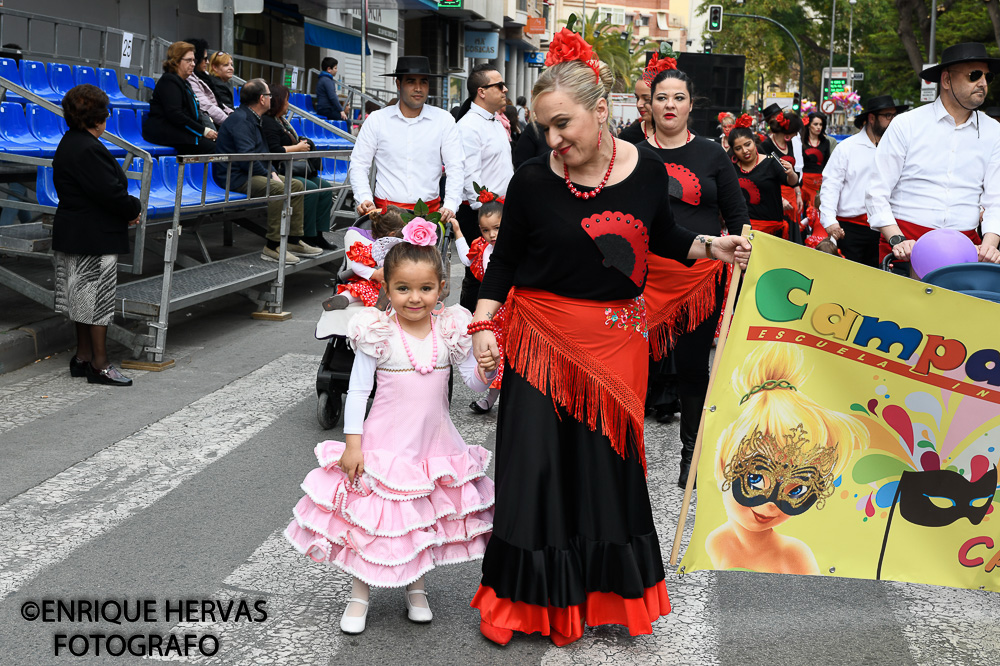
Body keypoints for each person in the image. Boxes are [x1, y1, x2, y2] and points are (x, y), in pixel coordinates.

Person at [467, 30, 752, 647]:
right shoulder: (531, 181)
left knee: (602, 473)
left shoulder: (647, 170)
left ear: (601, 113)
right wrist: (485, 324)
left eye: (563, 124)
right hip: (541, 343)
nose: (554, 140)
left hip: (617, 345)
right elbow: (505, 262)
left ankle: (601, 595)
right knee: (534, 471)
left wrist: (713, 246)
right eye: (544, 127)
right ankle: (522, 604)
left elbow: (667, 237)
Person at [284, 227, 496, 635]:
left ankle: (417, 590)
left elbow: (471, 381)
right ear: (387, 288)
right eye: (402, 288)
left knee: (417, 522)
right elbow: (359, 390)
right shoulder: (377, 332)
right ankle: (359, 595)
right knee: (376, 523)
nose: (414, 298)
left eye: (425, 288)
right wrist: (352, 444)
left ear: (441, 289)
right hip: (385, 446)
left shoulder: (449, 330)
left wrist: (486, 370)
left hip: (432, 447)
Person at [640, 66, 750, 488]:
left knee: (691, 368)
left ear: (691, 104)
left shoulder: (711, 153)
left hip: (699, 279)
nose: (670, 105)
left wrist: (741, 248)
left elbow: (737, 213)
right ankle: (623, 456)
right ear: (650, 103)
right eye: (662, 97)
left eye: (678, 98)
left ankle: (693, 455)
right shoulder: (630, 151)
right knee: (634, 367)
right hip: (641, 279)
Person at [706, 343, 866, 573]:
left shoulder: (794, 556)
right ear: (723, 465)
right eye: (755, 479)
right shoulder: (715, 542)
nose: (771, 503)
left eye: (796, 491)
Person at [867, 42, 1000, 264]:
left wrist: (990, 246)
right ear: (946, 80)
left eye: (988, 77)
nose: (983, 83)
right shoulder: (906, 124)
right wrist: (897, 239)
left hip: (966, 247)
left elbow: (997, 199)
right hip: (906, 243)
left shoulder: (994, 131)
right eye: (974, 75)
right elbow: (876, 192)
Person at [52, 84, 141, 387]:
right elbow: (110, 194)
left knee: (81, 299)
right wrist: (133, 208)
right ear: (98, 117)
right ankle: (99, 365)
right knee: (98, 301)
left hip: (76, 231)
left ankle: (82, 357)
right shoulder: (88, 148)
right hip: (92, 234)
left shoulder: (70, 142)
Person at [213, 78, 322, 264]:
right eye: (269, 95)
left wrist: (271, 172)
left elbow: (262, 154)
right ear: (262, 99)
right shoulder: (241, 120)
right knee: (279, 189)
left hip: (249, 171)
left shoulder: (253, 118)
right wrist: (270, 175)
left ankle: (293, 241)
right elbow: (248, 158)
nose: (271, 99)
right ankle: (272, 246)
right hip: (235, 176)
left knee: (296, 184)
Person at [349, 55, 463, 223]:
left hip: (429, 218)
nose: (418, 88)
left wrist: (451, 205)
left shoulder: (444, 120)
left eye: (423, 82)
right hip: (386, 217)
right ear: (398, 84)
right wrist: (364, 198)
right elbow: (359, 164)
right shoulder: (377, 120)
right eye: (411, 81)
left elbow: (456, 166)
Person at [819, 95, 907, 266]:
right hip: (851, 228)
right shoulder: (847, 148)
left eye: (894, 115)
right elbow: (831, 185)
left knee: (880, 278)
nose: (893, 120)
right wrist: (829, 220)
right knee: (848, 279)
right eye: (888, 116)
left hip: (887, 226)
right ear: (872, 118)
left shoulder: (899, 148)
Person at [455, 63, 513, 312]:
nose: (505, 89)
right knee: (477, 275)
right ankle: (469, 327)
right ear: (481, 91)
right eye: (499, 85)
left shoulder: (495, 121)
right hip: (481, 212)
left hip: (501, 209)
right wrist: (487, 212)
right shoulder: (468, 127)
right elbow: (470, 177)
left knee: (499, 271)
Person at [261, 83, 334, 250]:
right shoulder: (267, 122)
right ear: (278, 101)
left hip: (295, 167)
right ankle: (304, 235)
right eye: (286, 100)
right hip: (279, 170)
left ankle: (318, 234)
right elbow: (274, 150)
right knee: (308, 187)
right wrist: (298, 148)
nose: (288, 104)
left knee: (325, 187)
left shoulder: (281, 121)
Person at [451, 192, 504, 414]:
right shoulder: (481, 247)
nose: (491, 235)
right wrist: (457, 231)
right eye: (485, 230)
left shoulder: (520, 248)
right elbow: (466, 258)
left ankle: (505, 401)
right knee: (495, 356)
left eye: (497, 228)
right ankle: (491, 398)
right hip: (493, 314)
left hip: (518, 312)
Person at [323, 206, 407, 310]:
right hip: (373, 282)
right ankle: (343, 299)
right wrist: (374, 274)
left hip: (394, 284)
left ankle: (383, 301)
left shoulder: (404, 250)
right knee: (358, 289)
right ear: (393, 235)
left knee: (399, 289)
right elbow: (356, 266)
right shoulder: (373, 250)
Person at [142, 41, 217, 154]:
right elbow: (175, 114)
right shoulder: (169, 81)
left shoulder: (183, 82)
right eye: (188, 60)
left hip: (179, 132)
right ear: (176, 62)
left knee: (220, 145)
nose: (192, 64)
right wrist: (203, 131)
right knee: (216, 150)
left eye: (194, 60)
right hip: (166, 132)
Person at [730, 118, 798, 238]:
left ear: (754, 142)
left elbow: (792, 182)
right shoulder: (731, 168)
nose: (745, 151)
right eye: (738, 148)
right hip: (743, 229)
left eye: (747, 144)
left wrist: (791, 173)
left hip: (771, 229)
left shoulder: (770, 162)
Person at [760, 109, 804, 231]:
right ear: (787, 134)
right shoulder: (765, 146)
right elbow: (763, 176)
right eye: (795, 132)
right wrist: (780, 199)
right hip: (775, 197)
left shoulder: (789, 144)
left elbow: (794, 170)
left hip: (791, 195)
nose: (796, 135)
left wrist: (798, 193)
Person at [618, 53, 673, 144]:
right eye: (637, 98)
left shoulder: (687, 138)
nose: (638, 104)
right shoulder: (626, 138)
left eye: (647, 99)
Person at [183, 38, 232, 129]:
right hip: (212, 124)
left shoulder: (204, 76)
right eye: (205, 59)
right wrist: (232, 122)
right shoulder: (189, 79)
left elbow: (219, 104)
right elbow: (207, 106)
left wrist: (233, 115)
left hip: (217, 121)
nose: (207, 62)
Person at [799, 112, 832, 208]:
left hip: (819, 183)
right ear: (809, 125)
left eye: (821, 124)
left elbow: (827, 164)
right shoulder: (801, 141)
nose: (819, 127)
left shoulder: (825, 142)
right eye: (815, 124)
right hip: (803, 182)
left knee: (815, 212)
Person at [316, 57, 348, 121]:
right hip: (326, 110)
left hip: (324, 109)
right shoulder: (327, 80)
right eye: (335, 68)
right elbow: (333, 97)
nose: (336, 70)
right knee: (347, 121)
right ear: (329, 69)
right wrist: (341, 110)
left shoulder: (323, 79)